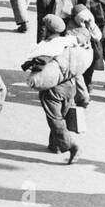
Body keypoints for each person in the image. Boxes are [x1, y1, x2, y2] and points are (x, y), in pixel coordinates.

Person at [24, 15, 80, 163]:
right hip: (70, 86)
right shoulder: (70, 42)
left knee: (55, 119)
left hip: (53, 89)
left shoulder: (47, 46)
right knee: (62, 114)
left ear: (47, 30)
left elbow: (35, 61)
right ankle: (55, 145)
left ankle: (71, 146)